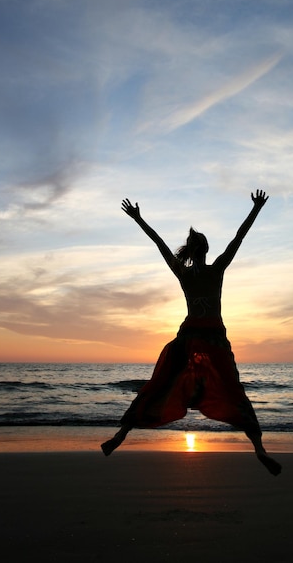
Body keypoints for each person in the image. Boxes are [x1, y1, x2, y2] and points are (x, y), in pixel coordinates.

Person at [101, 190, 282, 476]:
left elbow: (159, 243)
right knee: (234, 392)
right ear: (207, 250)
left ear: (190, 250)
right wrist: (256, 208)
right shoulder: (217, 269)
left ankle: (119, 437)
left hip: (187, 337)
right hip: (213, 338)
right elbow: (239, 238)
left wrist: (138, 218)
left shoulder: (183, 273)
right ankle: (260, 450)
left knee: (160, 385)